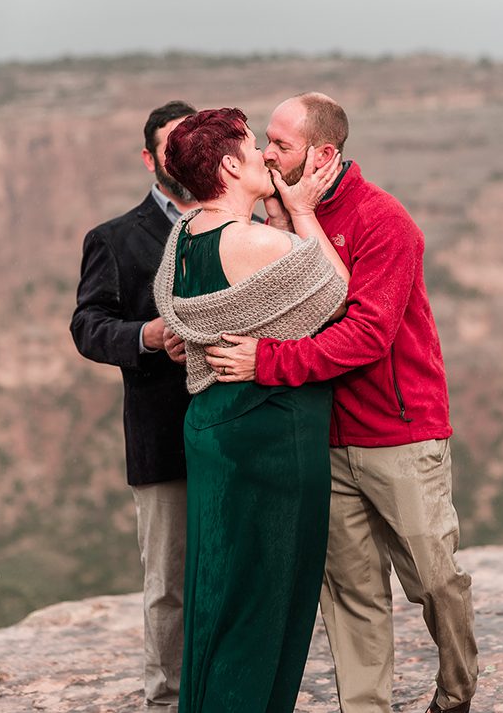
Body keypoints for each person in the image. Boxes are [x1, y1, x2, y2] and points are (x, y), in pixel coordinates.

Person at [203, 92, 478, 713]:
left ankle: (457, 693)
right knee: (351, 592)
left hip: (400, 434)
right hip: (323, 438)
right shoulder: (271, 223)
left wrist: (265, 361)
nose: (266, 153)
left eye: (281, 144)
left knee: (435, 581)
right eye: (266, 142)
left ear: (324, 154)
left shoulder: (385, 222)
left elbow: (365, 335)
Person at [152, 107, 348, 713]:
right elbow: (334, 295)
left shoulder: (181, 237)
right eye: (250, 145)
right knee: (266, 597)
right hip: (269, 433)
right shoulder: (260, 243)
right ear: (231, 165)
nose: (265, 154)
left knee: (218, 589)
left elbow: (183, 315)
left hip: (210, 427)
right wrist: (307, 214)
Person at [70, 99, 198, 711]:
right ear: (150, 158)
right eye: (168, 145)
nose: (179, 155)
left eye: (189, 142)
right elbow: (87, 326)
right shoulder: (114, 239)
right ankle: (166, 699)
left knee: (236, 575)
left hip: (245, 432)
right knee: (169, 583)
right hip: (163, 437)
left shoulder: (246, 226)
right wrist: (146, 336)